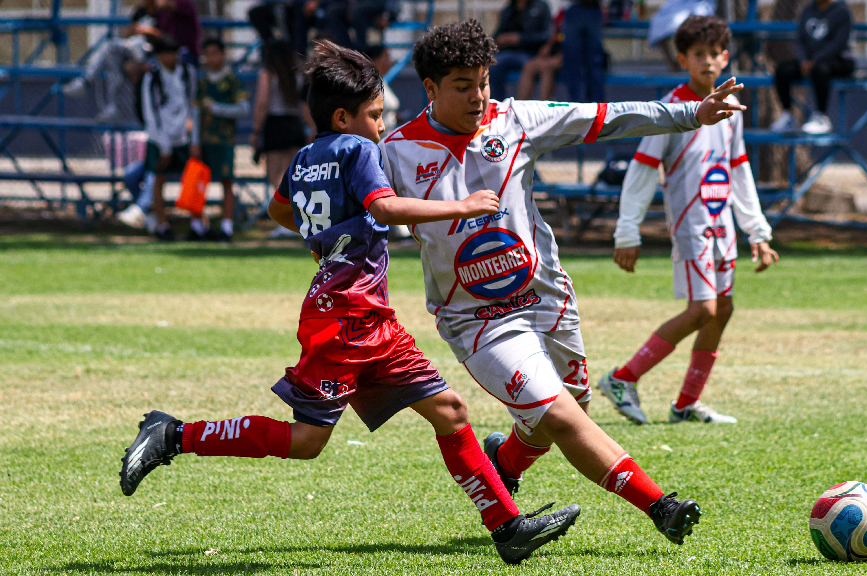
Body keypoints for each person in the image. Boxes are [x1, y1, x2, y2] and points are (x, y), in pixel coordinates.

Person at [119, 40, 580, 566]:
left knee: (449, 412)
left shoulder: (303, 157)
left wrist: (327, 232)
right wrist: (462, 204)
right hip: (348, 318)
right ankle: (174, 434)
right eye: (376, 116)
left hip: (360, 315)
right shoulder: (357, 150)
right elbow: (383, 208)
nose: (383, 127)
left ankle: (507, 526)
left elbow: (279, 211)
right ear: (344, 117)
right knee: (307, 440)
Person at [381, 20, 745, 545]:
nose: (479, 96)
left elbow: (608, 117)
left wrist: (693, 112)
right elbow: (359, 210)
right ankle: (660, 505)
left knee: (569, 402)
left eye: (484, 82)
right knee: (560, 412)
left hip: (546, 299)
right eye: (463, 86)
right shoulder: (396, 153)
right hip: (477, 320)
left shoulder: (515, 121)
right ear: (430, 89)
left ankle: (504, 465)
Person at [599, 16, 778, 426]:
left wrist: (758, 231)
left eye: (716, 54)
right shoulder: (671, 111)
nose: (709, 62)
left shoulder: (733, 108)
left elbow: (740, 171)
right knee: (702, 310)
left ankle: (685, 405)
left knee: (724, 308)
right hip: (691, 227)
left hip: (723, 227)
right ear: (683, 59)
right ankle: (623, 378)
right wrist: (627, 231)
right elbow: (642, 171)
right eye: (699, 54)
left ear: (726, 57)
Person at [252, 40, 314, 238]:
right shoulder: (296, 74)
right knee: (294, 176)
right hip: (294, 124)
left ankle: (286, 222)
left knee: (276, 176)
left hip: (275, 124)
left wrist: (255, 130)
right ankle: (298, 219)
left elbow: (262, 103)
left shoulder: (268, 73)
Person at [141, 35, 200, 242]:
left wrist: (194, 139)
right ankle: (162, 224)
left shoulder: (186, 73)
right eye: (164, 54)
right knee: (159, 179)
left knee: (192, 178)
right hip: (160, 137)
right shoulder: (152, 78)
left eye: (173, 53)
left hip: (183, 136)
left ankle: (197, 224)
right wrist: (164, 146)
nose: (169, 58)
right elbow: (151, 113)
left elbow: (193, 105)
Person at [62, 0, 160, 121]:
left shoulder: (163, 14)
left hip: (151, 54)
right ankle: (109, 102)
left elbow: (164, 39)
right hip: (133, 51)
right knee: (112, 56)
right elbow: (127, 34)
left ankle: (86, 81)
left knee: (112, 48)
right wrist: (135, 30)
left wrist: (148, 31)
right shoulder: (140, 12)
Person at [769, 0, 855, 135]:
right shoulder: (808, 10)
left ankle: (821, 117)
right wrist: (803, 60)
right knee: (783, 70)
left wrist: (815, 60)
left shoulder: (842, 11)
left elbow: (838, 43)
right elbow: (799, 40)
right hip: (809, 62)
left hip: (837, 61)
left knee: (820, 70)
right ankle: (788, 116)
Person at [195, 38, 251, 241]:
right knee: (199, 183)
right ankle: (199, 226)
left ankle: (226, 226)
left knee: (227, 182)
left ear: (223, 55)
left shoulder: (232, 81)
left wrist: (217, 108)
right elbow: (195, 112)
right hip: (203, 141)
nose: (211, 58)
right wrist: (194, 141)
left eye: (215, 53)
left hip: (225, 140)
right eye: (207, 53)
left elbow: (244, 108)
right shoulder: (201, 82)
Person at [489, 0, 552, 101]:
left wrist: (520, 39)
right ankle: (497, 104)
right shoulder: (508, 10)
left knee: (529, 67)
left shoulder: (541, 7)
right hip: (506, 53)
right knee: (492, 65)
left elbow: (546, 35)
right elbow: (497, 35)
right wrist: (500, 39)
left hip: (530, 54)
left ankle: (520, 106)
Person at [560, 0, 605, 102]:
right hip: (574, 9)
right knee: (572, 62)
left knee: (595, 62)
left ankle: (598, 110)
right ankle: (576, 108)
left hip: (593, 9)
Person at [515, 9, 563, 101]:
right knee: (529, 65)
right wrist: (548, 45)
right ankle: (520, 105)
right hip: (554, 52)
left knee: (546, 67)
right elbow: (556, 34)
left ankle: (543, 105)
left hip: (568, 55)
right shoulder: (562, 13)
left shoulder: (579, 12)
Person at [154, 0, 202, 67]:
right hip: (168, 54)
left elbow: (168, 5)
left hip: (187, 54)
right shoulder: (162, 13)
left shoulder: (185, 3)